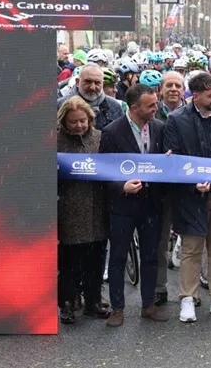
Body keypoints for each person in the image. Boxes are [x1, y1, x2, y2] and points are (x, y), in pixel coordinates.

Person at [163, 72, 211, 322]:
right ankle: (187, 298)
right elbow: (171, 159)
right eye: (210, 95)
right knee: (191, 249)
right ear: (195, 96)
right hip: (190, 196)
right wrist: (191, 183)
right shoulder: (176, 120)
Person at [100, 84, 168, 327]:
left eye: (156, 103)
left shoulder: (160, 127)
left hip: (151, 204)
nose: (156, 108)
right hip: (123, 206)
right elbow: (103, 170)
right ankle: (118, 309)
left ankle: (148, 305)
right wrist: (121, 186)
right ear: (134, 108)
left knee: (151, 256)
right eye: (150, 105)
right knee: (117, 257)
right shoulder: (111, 132)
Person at [57, 96, 110, 324]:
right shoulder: (55, 141)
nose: (79, 126)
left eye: (83, 121)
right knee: (69, 262)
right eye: (73, 122)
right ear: (63, 122)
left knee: (96, 260)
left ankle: (93, 302)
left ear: (90, 119)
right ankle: (67, 303)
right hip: (69, 208)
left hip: (97, 208)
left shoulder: (100, 139)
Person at [151, 71, 185, 307]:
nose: (174, 89)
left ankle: (188, 292)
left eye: (178, 85)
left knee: (192, 243)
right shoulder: (151, 112)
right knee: (160, 242)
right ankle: (160, 288)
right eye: (169, 85)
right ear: (160, 89)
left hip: (187, 186)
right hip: (160, 188)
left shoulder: (192, 113)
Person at [57, 64, 124, 131]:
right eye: (88, 82)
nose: (92, 87)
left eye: (97, 83)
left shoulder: (115, 108)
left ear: (102, 84)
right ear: (77, 82)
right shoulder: (59, 106)